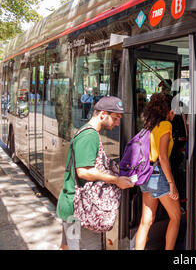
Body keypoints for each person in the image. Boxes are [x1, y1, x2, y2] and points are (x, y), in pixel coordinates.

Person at [56, 96, 134, 250]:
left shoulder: (87, 132)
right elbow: (84, 172)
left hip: (71, 205)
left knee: (69, 246)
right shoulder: (89, 135)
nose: (117, 123)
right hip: (81, 209)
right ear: (103, 114)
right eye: (115, 118)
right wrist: (115, 180)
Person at [135, 93, 181, 250]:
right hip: (158, 175)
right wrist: (171, 184)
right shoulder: (166, 125)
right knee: (176, 217)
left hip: (145, 174)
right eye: (174, 110)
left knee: (145, 221)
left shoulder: (149, 125)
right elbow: (162, 157)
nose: (175, 114)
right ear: (168, 111)